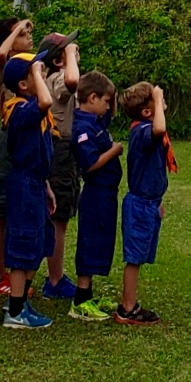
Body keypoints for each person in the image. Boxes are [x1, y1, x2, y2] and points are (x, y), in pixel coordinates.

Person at [0, 54, 56, 329]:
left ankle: (19, 300)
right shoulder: (20, 110)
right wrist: (36, 72)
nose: (42, 74)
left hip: (35, 182)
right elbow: (46, 101)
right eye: (36, 72)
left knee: (40, 242)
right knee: (23, 244)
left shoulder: (31, 107)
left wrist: (46, 185)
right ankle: (15, 311)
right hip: (22, 184)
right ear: (23, 84)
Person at [115, 81, 177, 325]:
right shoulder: (143, 132)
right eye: (157, 102)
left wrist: (156, 203)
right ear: (147, 112)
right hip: (140, 205)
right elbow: (160, 129)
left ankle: (130, 304)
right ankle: (127, 308)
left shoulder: (145, 129)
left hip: (149, 203)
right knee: (134, 258)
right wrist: (158, 98)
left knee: (140, 256)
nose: (162, 104)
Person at [0, 17, 34, 298]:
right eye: (22, 34)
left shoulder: (25, 64)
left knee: (19, 209)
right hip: (6, 139)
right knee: (2, 212)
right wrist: (15, 30)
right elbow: (2, 53)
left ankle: (16, 272)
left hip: (23, 137)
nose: (28, 37)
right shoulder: (2, 65)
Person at [69, 70, 121, 321]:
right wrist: (115, 151)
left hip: (107, 193)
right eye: (105, 100)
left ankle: (88, 295)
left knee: (102, 241)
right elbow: (89, 164)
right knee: (90, 241)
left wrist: (113, 96)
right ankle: (80, 300)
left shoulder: (96, 120)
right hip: (95, 193)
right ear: (92, 98)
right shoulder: (82, 127)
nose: (109, 106)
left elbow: (111, 113)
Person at [35, 33, 82, 301]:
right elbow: (73, 82)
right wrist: (71, 56)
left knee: (59, 216)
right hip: (60, 150)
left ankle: (53, 275)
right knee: (59, 217)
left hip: (62, 150)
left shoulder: (49, 78)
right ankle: (55, 279)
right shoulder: (56, 79)